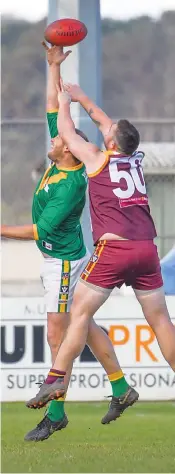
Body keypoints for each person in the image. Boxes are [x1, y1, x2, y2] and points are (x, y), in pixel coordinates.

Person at [1, 46, 138, 441]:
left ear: (66, 148)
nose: (52, 140)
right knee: (84, 325)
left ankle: (56, 413)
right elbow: (51, 105)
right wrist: (53, 66)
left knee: (57, 337)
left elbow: (36, 233)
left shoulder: (71, 183)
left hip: (62, 261)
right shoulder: (60, 159)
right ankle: (119, 387)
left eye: (57, 139)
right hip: (60, 260)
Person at [27, 80, 175, 420]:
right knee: (161, 321)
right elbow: (105, 122)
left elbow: (67, 129)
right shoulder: (134, 157)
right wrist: (83, 97)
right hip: (146, 249)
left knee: (78, 314)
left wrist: (66, 103)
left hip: (115, 249)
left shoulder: (96, 159)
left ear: (110, 141)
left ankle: (55, 377)